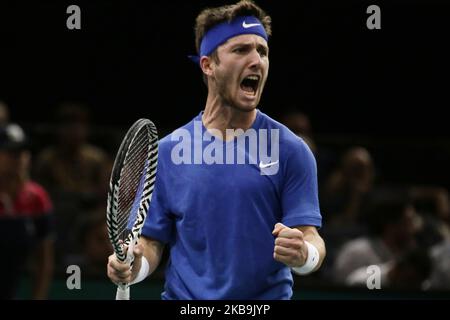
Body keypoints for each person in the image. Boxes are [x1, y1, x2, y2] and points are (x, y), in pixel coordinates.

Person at [107, 0, 326, 299]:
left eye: (262, 51)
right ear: (208, 64)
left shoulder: (291, 150)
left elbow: (311, 237)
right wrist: (134, 267)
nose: (256, 61)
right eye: (240, 50)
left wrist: (304, 255)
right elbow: (150, 243)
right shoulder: (168, 152)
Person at [0, 123, 54, 299]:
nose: (19, 159)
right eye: (11, 153)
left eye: (23, 153)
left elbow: (44, 259)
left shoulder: (37, 197)